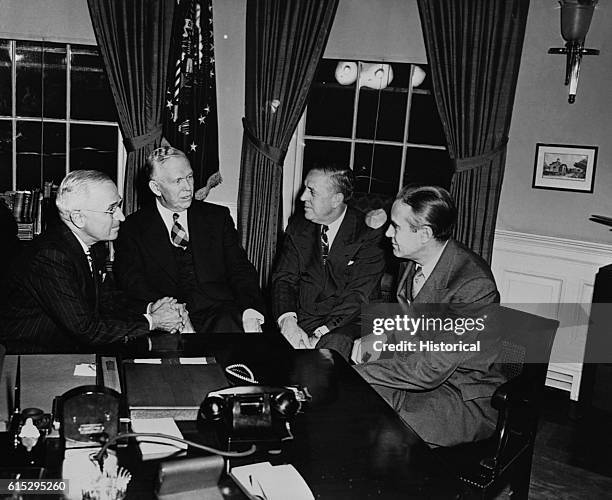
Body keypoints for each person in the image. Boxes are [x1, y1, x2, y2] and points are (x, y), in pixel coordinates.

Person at [354, 185, 505, 447]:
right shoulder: (410, 261)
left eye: (396, 226)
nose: (388, 233)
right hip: (415, 375)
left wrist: (360, 371)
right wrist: (375, 342)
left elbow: (431, 369)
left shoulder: (473, 285)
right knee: (351, 406)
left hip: (461, 395)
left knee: (387, 434)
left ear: (424, 234)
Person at [0, 170, 187, 352]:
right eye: (111, 209)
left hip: (65, 348)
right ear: (78, 218)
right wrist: (153, 321)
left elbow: (106, 301)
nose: (121, 217)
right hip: (28, 358)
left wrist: (149, 308)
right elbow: (86, 329)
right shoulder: (49, 257)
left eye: (119, 206)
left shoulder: (94, 246)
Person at [113, 146, 264, 333]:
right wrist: (168, 312)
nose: (188, 187)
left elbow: (240, 269)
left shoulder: (218, 217)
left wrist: (249, 311)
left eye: (189, 177)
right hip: (168, 320)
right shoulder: (133, 228)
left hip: (221, 314)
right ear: (155, 187)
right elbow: (132, 284)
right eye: (177, 181)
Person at [271, 165, 386, 360]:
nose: (302, 198)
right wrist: (288, 322)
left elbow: (358, 295)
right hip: (305, 316)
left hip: (352, 320)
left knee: (331, 350)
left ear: (336, 199)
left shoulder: (368, 232)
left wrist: (321, 333)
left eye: (312, 192)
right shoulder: (298, 225)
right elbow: (284, 279)